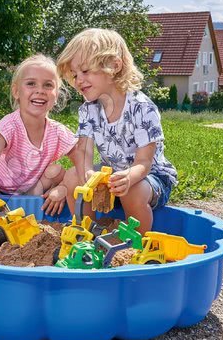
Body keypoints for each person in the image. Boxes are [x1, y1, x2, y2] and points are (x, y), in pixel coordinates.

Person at [56, 28, 177, 234]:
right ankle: (86, 231)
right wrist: (87, 173)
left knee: (133, 191)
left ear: (114, 65)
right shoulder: (89, 109)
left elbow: (144, 163)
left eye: (85, 71)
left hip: (150, 178)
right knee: (71, 177)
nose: (78, 80)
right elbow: (84, 150)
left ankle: (134, 243)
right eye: (75, 75)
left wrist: (129, 177)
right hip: (112, 176)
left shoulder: (141, 108)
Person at [0, 54, 77, 216]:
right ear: (16, 91)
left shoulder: (57, 131)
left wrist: (64, 187)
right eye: (31, 84)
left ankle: (25, 208)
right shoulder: (11, 124)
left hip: (31, 192)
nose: (40, 90)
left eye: (48, 85)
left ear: (56, 94)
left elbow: (81, 161)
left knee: (56, 170)